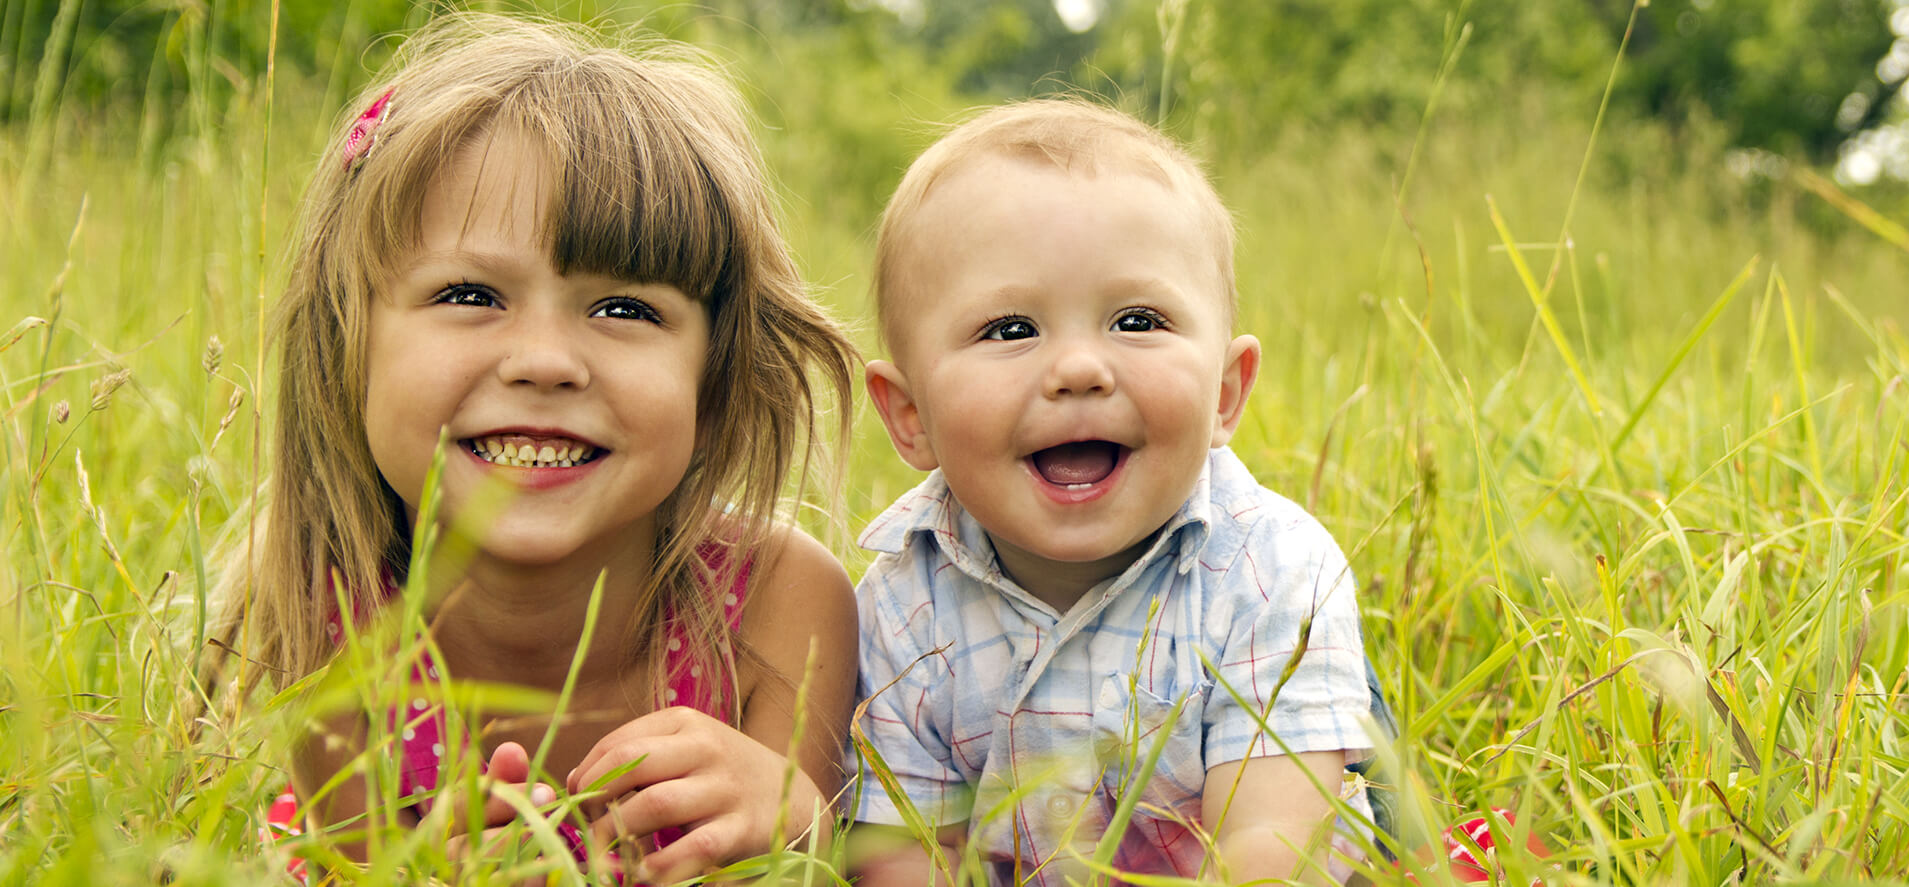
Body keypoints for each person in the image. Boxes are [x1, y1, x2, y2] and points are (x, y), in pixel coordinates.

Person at [196, 14, 858, 883]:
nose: (545, 362)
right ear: (346, 346)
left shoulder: (779, 608)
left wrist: (801, 824)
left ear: (717, 370)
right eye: (470, 293)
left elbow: (804, 869)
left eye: (625, 308)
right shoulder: (324, 620)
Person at [847, 98, 1393, 884]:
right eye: (1010, 329)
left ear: (1227, 392)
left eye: (1136, 320)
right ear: (910, 417)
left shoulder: (1273, 571)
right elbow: (902, 852)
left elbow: (1273, 846)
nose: (1079, 368)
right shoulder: (902, 607)